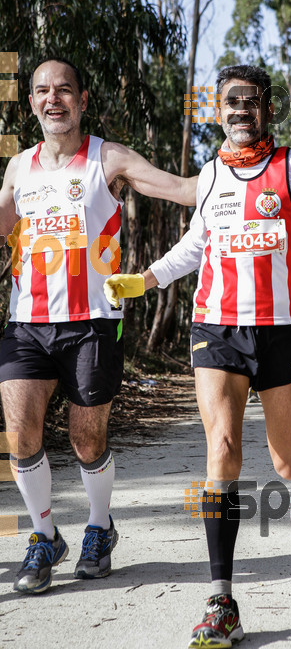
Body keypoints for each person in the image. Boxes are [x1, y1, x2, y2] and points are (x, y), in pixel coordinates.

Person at [104, 64, 291, 648]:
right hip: (217, 331)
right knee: (222, 448)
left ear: (267, 111)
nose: (239, 112)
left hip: (283, 334)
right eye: (230, 103)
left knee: (282, 463)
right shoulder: (209, 177)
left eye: (250, 103)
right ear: (217, 109)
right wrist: (145, 279)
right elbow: (196, 245)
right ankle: (222, 601)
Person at [0, 58, 197, 594]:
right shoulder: (19, 167)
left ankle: (98, 527)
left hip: (92, 323)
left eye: (64, 89)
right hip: (28, 323)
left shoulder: (106, 158)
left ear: (83, 100)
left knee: (87, 440)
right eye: (42, 90)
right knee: (20, 435)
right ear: (33, 102)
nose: (53, 98)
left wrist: (242, 180)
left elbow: (179, 188)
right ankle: (44, 538)